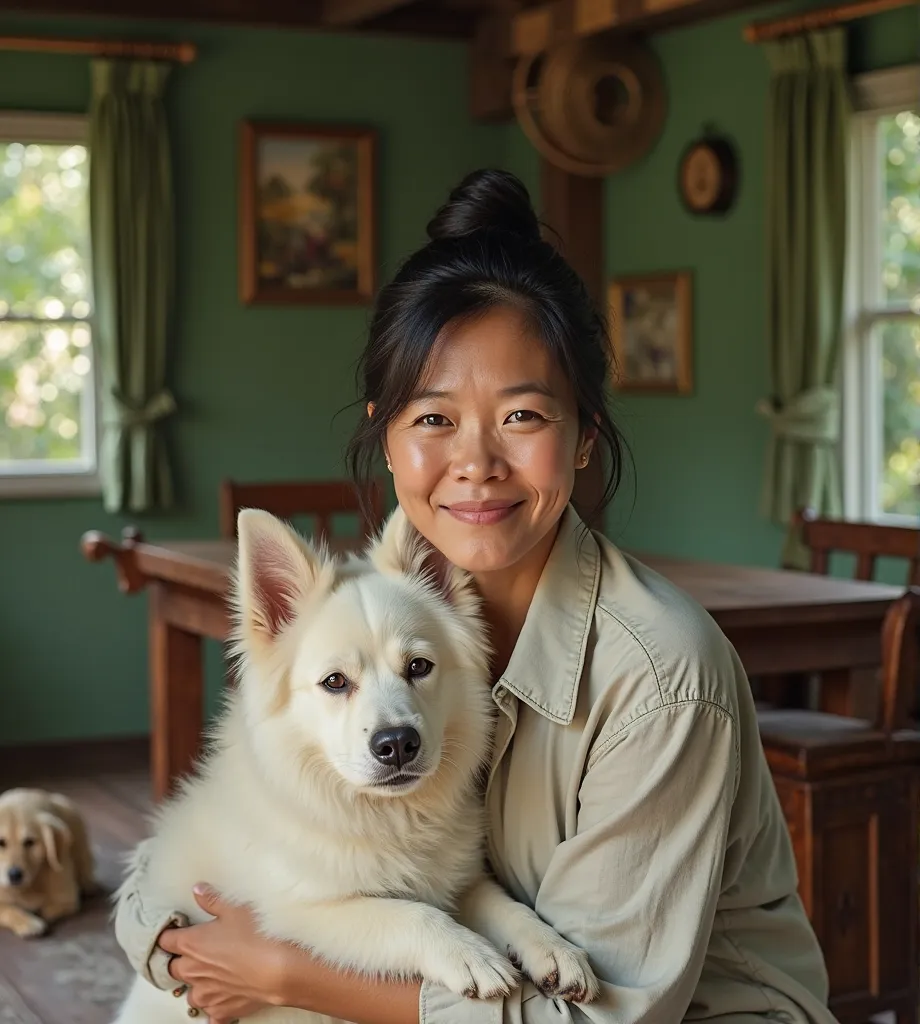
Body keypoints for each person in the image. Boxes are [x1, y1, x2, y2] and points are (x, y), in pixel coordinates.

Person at [115, 168, 834, 1024]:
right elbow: (184, 865)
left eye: (523, 417)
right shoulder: (387, 619)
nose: (476, 462)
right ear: (387, 435)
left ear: (582, 439)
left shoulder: (662, 681)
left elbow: (595, 1020)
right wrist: (169, 941)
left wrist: (281, 973)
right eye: (434, 419)